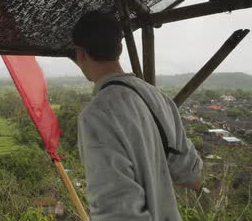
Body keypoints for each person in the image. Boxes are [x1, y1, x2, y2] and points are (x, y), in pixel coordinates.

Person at [71, 12, 203, 220]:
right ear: (120, 48)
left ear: (80, 53)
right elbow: (189, 173)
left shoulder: (96, 115)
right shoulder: (159, 98)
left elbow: (117, 210)